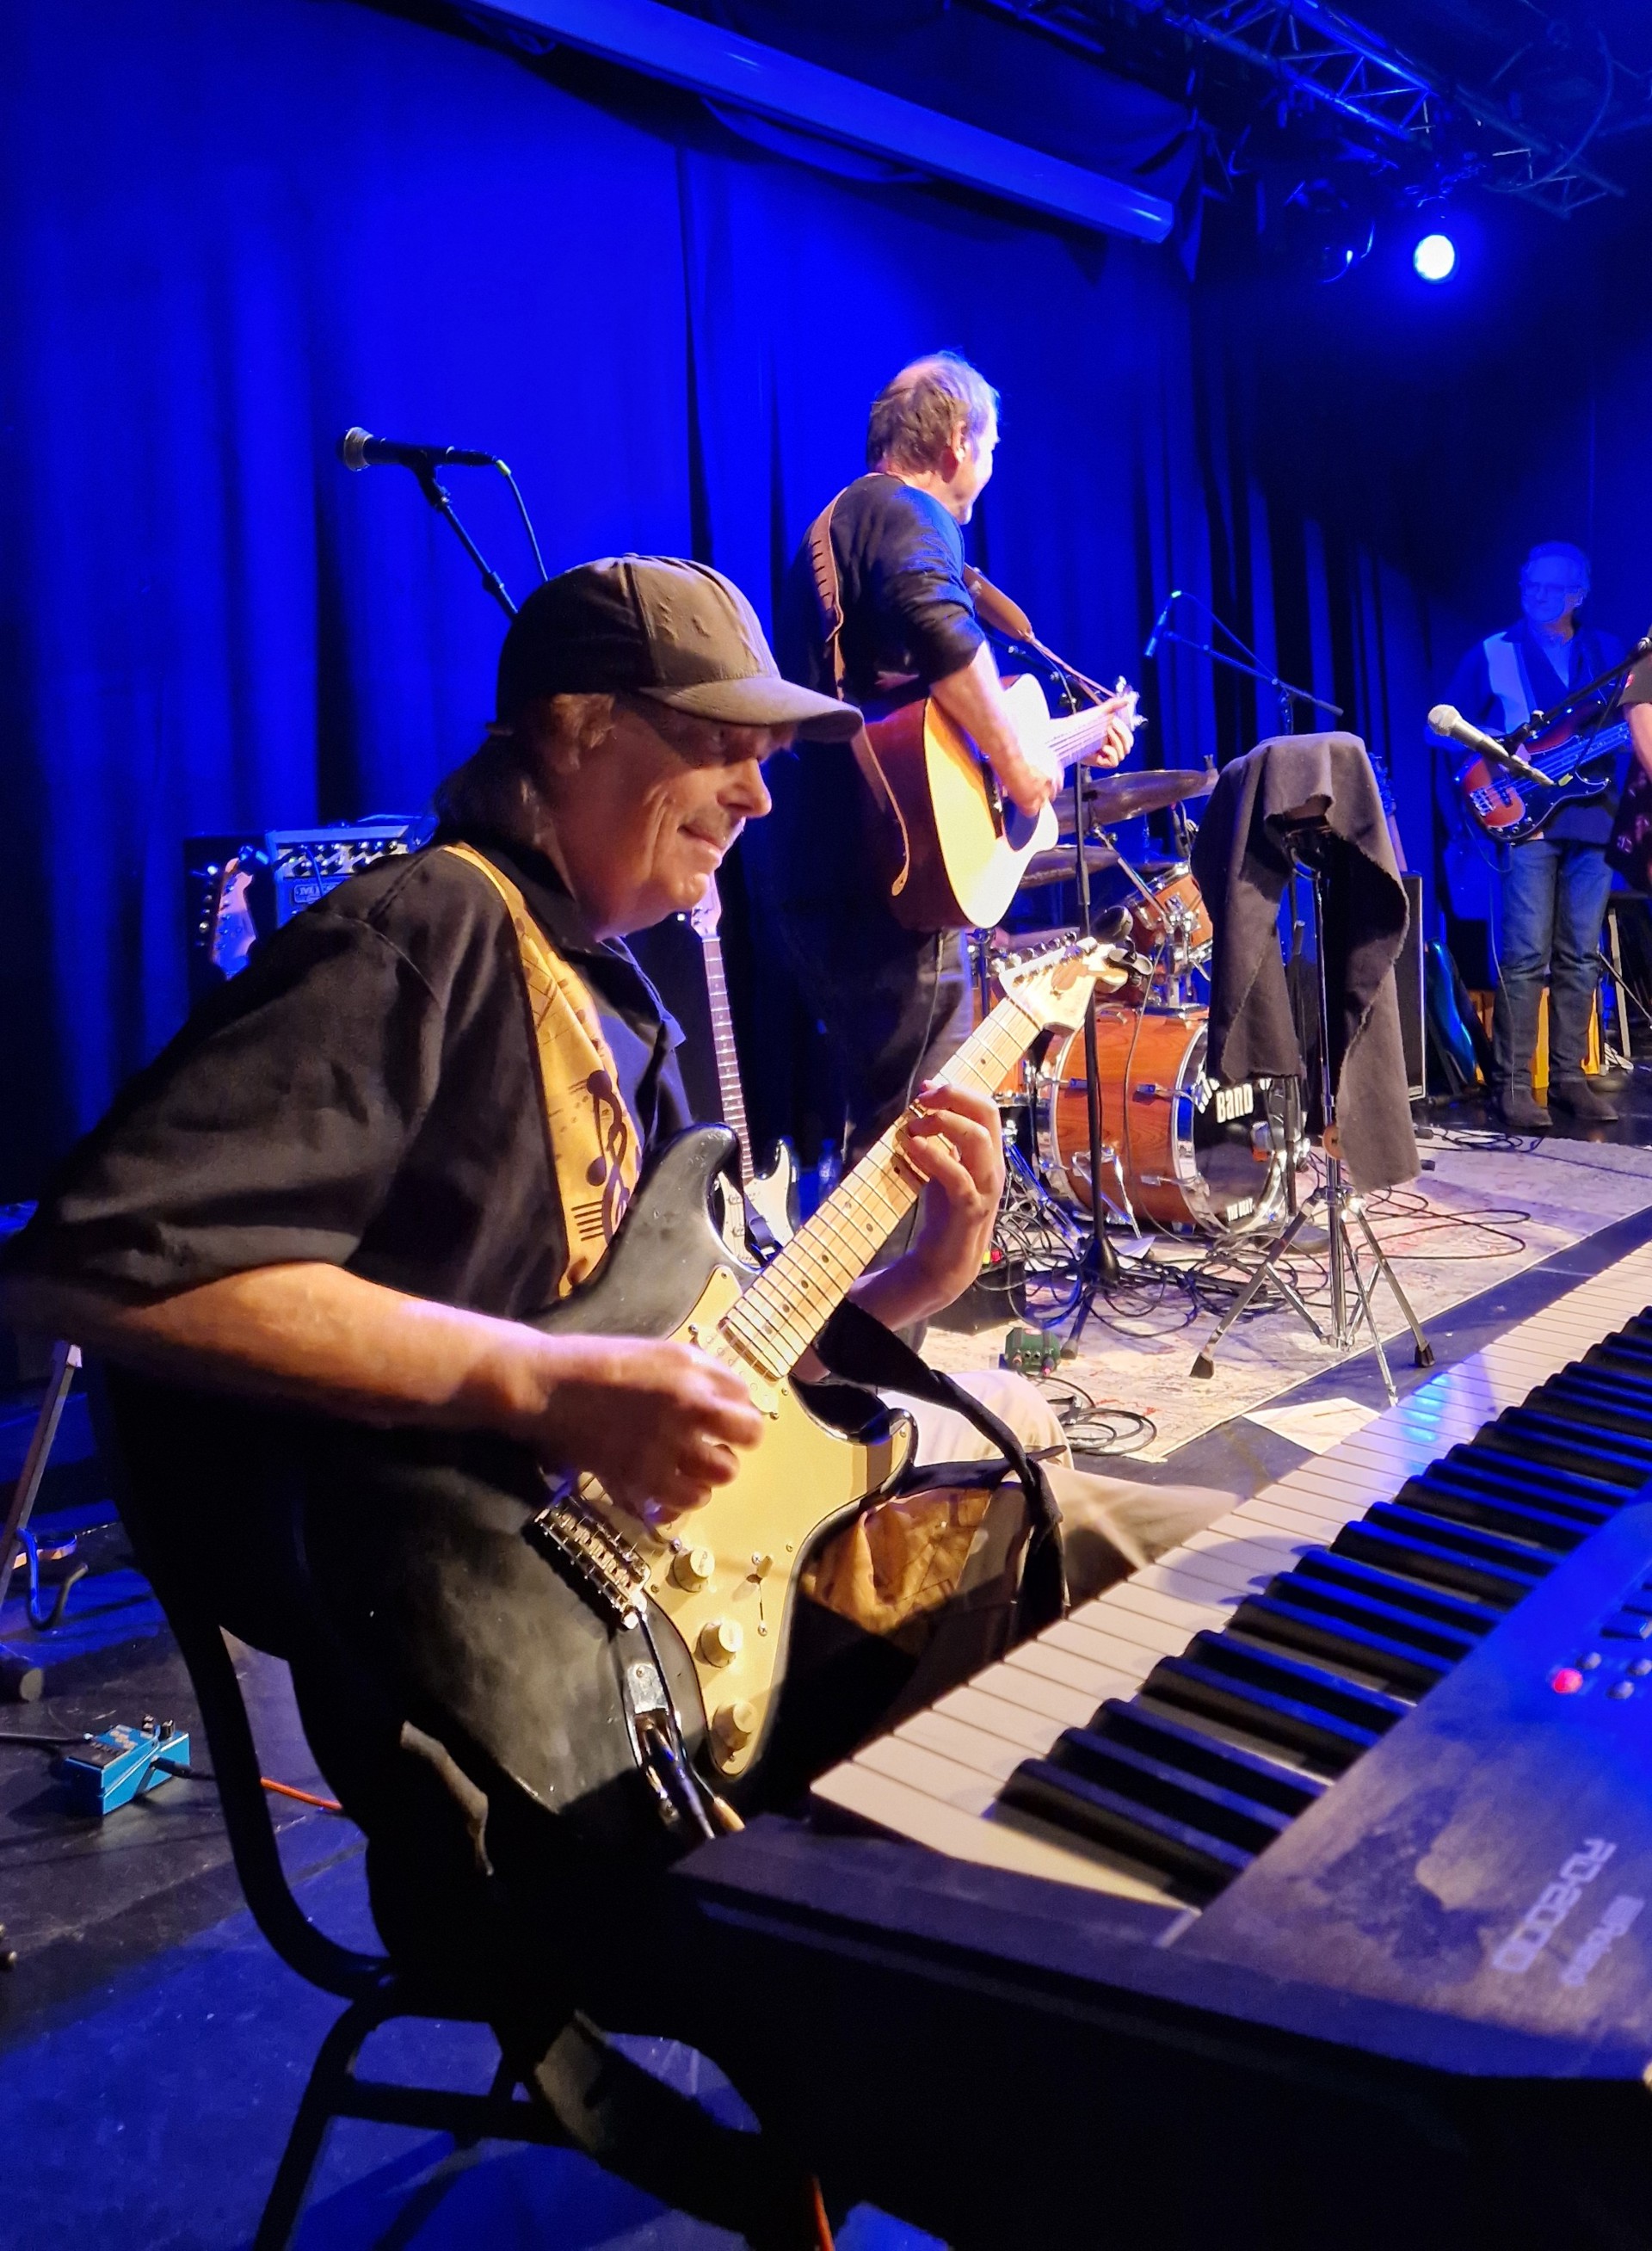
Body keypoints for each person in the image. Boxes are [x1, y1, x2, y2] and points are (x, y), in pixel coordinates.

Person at [0, 556, 1226, 2238]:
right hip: (535, 1773)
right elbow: (90, 1263)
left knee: (1195, 1563)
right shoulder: (429, 929)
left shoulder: (606, 989)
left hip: (696, 1637)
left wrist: (918, 1278)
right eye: (722, 744)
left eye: (770, 756)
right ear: (577, 731)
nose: (761, 790)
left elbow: (698, 1379)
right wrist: (544, 1384)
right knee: (1154, 1624)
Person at [745, 351, 1135, 1167]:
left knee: (885, 1127)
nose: (990, 462)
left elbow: (912, 716)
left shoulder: (849, 524)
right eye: (990, 445)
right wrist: (1020, 765)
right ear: (959, 440)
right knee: (912, 1143)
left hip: (826, 870)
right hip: (884, 884)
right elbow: (937, 624)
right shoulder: (908, 513)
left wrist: (1070, 739)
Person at [1436, 541, 1625, 1130]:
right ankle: (1513, 1085)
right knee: (1524, 956)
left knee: (1581, 954)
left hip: (1594, 816)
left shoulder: (1608, 651)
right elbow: (1440, 727)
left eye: (1550, 587)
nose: (1536, 595)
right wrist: (1493, 752)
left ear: (1578, 595)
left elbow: (1630, 724)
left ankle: (1569, 1078)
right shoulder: (1493, 651)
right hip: (1526, 817)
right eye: (1530, 584)